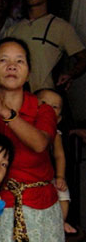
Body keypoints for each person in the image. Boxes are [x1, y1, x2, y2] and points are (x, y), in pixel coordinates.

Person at [0, 37, 65, 242]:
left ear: (29, 72)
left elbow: (40, 143)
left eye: (19, 61)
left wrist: (4, 111)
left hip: (41, 208)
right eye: (3, 60)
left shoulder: (43, 110)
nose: (12, 66)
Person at [3, 0, 86, 92]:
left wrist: (70, 74)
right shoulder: (12, 30)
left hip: (43, 98)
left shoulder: (61, 27)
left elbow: (83, 58)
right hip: (13, 97)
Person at [35, 88, 76, 233]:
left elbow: (59, 156)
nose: (47, 108)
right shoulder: (25, 127)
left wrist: (60, 177)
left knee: (63, 193)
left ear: (58, 119)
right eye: (43, 103)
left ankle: (61, 222)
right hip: (28, 176)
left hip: (48, 175)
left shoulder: (55, 134)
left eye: (54, 107)